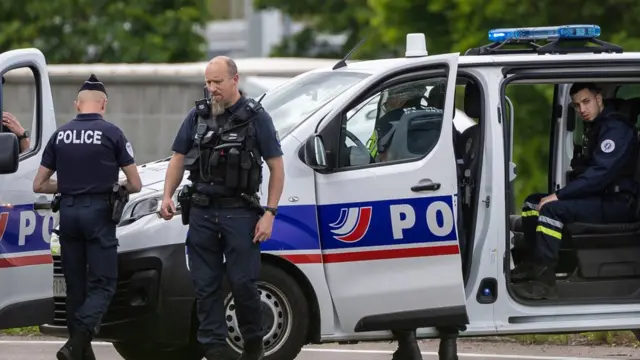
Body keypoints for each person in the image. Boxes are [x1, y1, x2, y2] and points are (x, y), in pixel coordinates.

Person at [159, 56, 285, 360]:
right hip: (202, 212)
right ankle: (215, 350)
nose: (211, 88)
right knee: (206, 286)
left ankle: (253, 343)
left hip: (240, 213)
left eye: (217, 82)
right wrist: (167, 195)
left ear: (234, 80)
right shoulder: (197, 116)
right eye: (208, 81)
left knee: (243, 283)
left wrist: (270, 213)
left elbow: (277, 166)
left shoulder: (256, 117)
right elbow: (178, 157)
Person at [32, 74, 142, 360]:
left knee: (75, 286)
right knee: (104, 283)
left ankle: (80, 351)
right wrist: (109, 185)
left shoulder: (61, 135)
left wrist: (68, 185)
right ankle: (76, 342)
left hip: (67, 215)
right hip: (99, 214)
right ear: (103, 104)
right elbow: (136, 184)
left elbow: (40, 184)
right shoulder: (112, 133)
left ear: (77, 105)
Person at [511, 82, 639, 300]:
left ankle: (544, 282)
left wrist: (560, 195)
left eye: (586, 102)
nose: (582, 110)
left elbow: (599, 175)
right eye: (577, 105)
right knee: (533, 202)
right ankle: (533, 265)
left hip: (618, 203)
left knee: (552, 210)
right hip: (601, 198)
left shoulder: (616, 129)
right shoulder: (597, 127)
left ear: (599, 99)